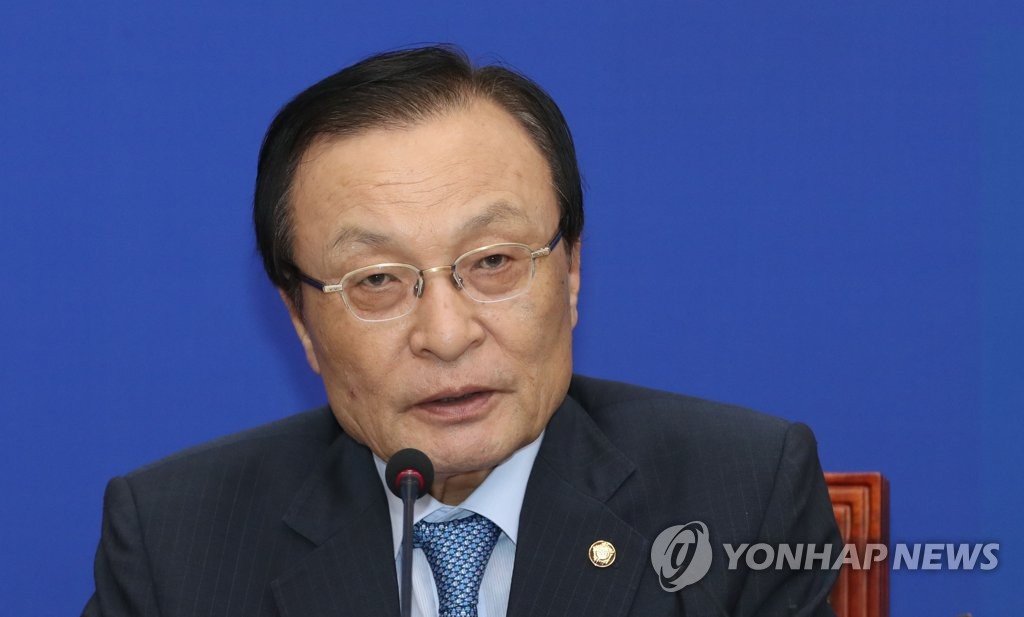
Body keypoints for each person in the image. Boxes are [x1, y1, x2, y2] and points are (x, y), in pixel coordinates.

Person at [83, 45, 842, 617]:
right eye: (376, 280)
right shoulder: (172, 542)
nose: (446, 336)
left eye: (493, 262)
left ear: (571, 273)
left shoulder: (744, 494)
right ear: (300, 320)